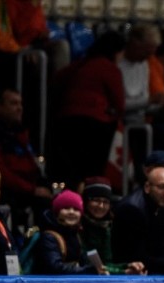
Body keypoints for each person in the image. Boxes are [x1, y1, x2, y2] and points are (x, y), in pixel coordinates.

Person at [48, 30, 126, 190]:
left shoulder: (78, 65)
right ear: (116, 52)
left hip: (65, 121)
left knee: (69, 172)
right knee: (90, 173)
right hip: (94, 125)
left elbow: (56, 82)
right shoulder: (109, 68)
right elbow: (120, 104)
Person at [0, 86, 50, 231]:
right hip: (10, 192)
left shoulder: (21, 134)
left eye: (20, 104)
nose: (19, 108)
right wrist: (32, 190)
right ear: (0, 107)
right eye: (13, 103)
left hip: (27, 191)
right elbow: (2, 174)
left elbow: (33, 166)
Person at [80, 178, 146, 275]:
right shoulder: (77, 227)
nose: (101, 206)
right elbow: (88, 265)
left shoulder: (106, 227)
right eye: (96, 200)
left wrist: (128, 266)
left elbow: (106, 264)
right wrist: (124, 271)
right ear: (86, 201)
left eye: (105, 202)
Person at [33, 190, 106, 275]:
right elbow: (55, 268)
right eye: (66, 208)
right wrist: (89, 270)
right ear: (57, 212)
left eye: (76, 209)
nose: (71, 212)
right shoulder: (49, 237)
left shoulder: (76, 235)